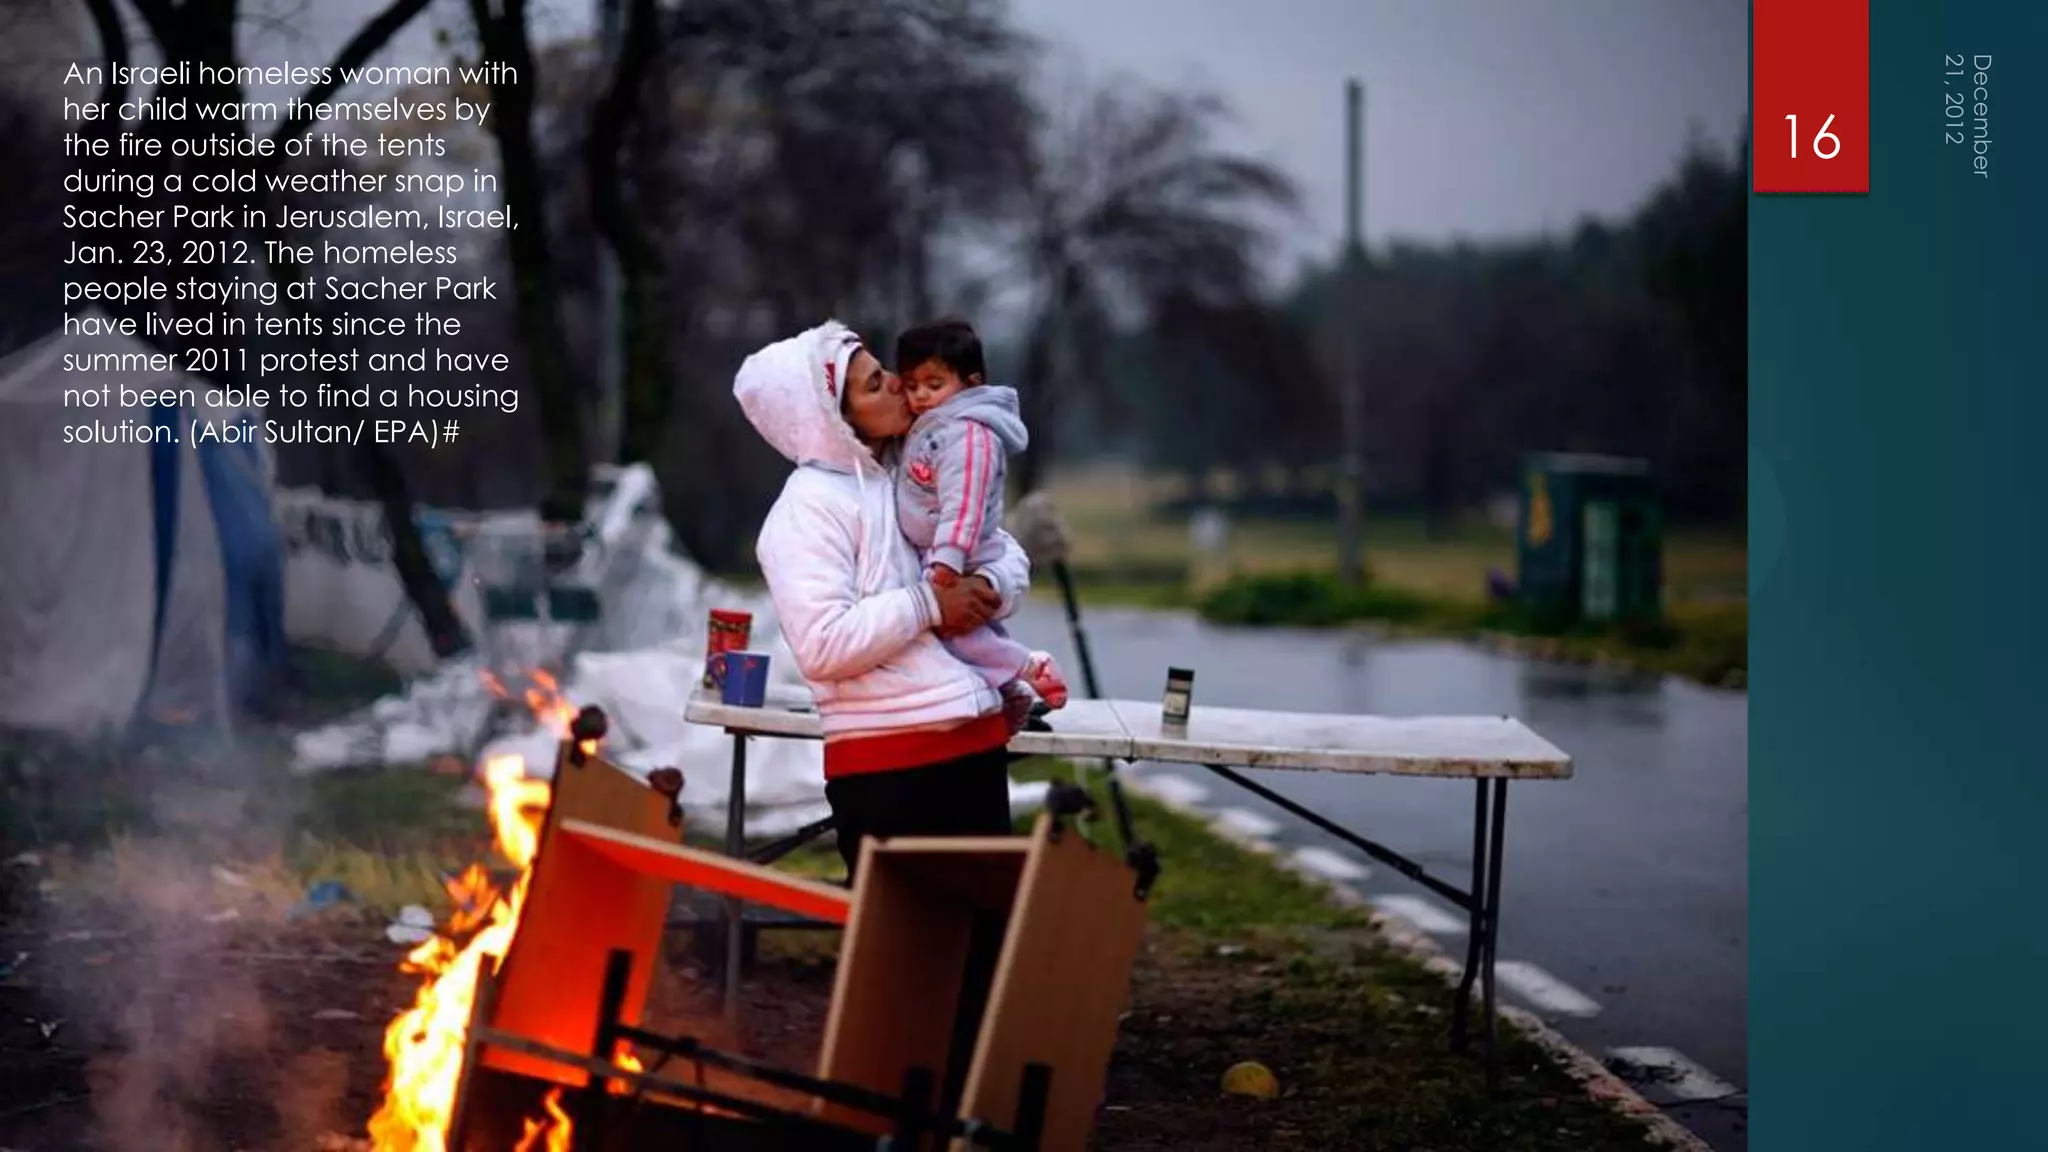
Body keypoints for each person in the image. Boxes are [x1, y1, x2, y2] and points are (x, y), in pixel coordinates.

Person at [734, 319, 1034, 878]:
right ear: (832, 421)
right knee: (907, 954)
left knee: (990, 951)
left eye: (883, 372)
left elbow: (1001, 548)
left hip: (972, 745)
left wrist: (992, 585)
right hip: (890, 769)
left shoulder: (910, 469)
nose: (899, 384)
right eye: (874, 386)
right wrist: (930, 604)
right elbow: (823, 647)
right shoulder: (806, 511)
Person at [895, 318, 1069, 732]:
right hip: (939, 551)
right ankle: (1013, 694)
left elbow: (964, 505)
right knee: (970, 637)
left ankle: (1028, 666)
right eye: (911, 384)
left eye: (933, 384)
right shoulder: (933, 428)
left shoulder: (969, 436)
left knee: (958, 631)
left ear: (970, 382)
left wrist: (948, 559)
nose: (920, 395)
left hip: (959, 554)